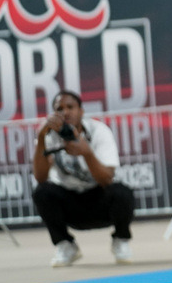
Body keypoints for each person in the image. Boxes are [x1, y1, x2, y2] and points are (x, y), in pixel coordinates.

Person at [32, 90, 135, 267]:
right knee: (42, 192)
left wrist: (87, 153)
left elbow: (106, 179)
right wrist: (41, 138)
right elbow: (40, 177)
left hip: (98, 199)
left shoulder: (98, 131)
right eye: (59, 109)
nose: (65, 112)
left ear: (81, 111)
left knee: (122, 192)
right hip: (70, 201)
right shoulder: (49, 136)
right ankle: (65, 245)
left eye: (70, 107)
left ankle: (120, 240)